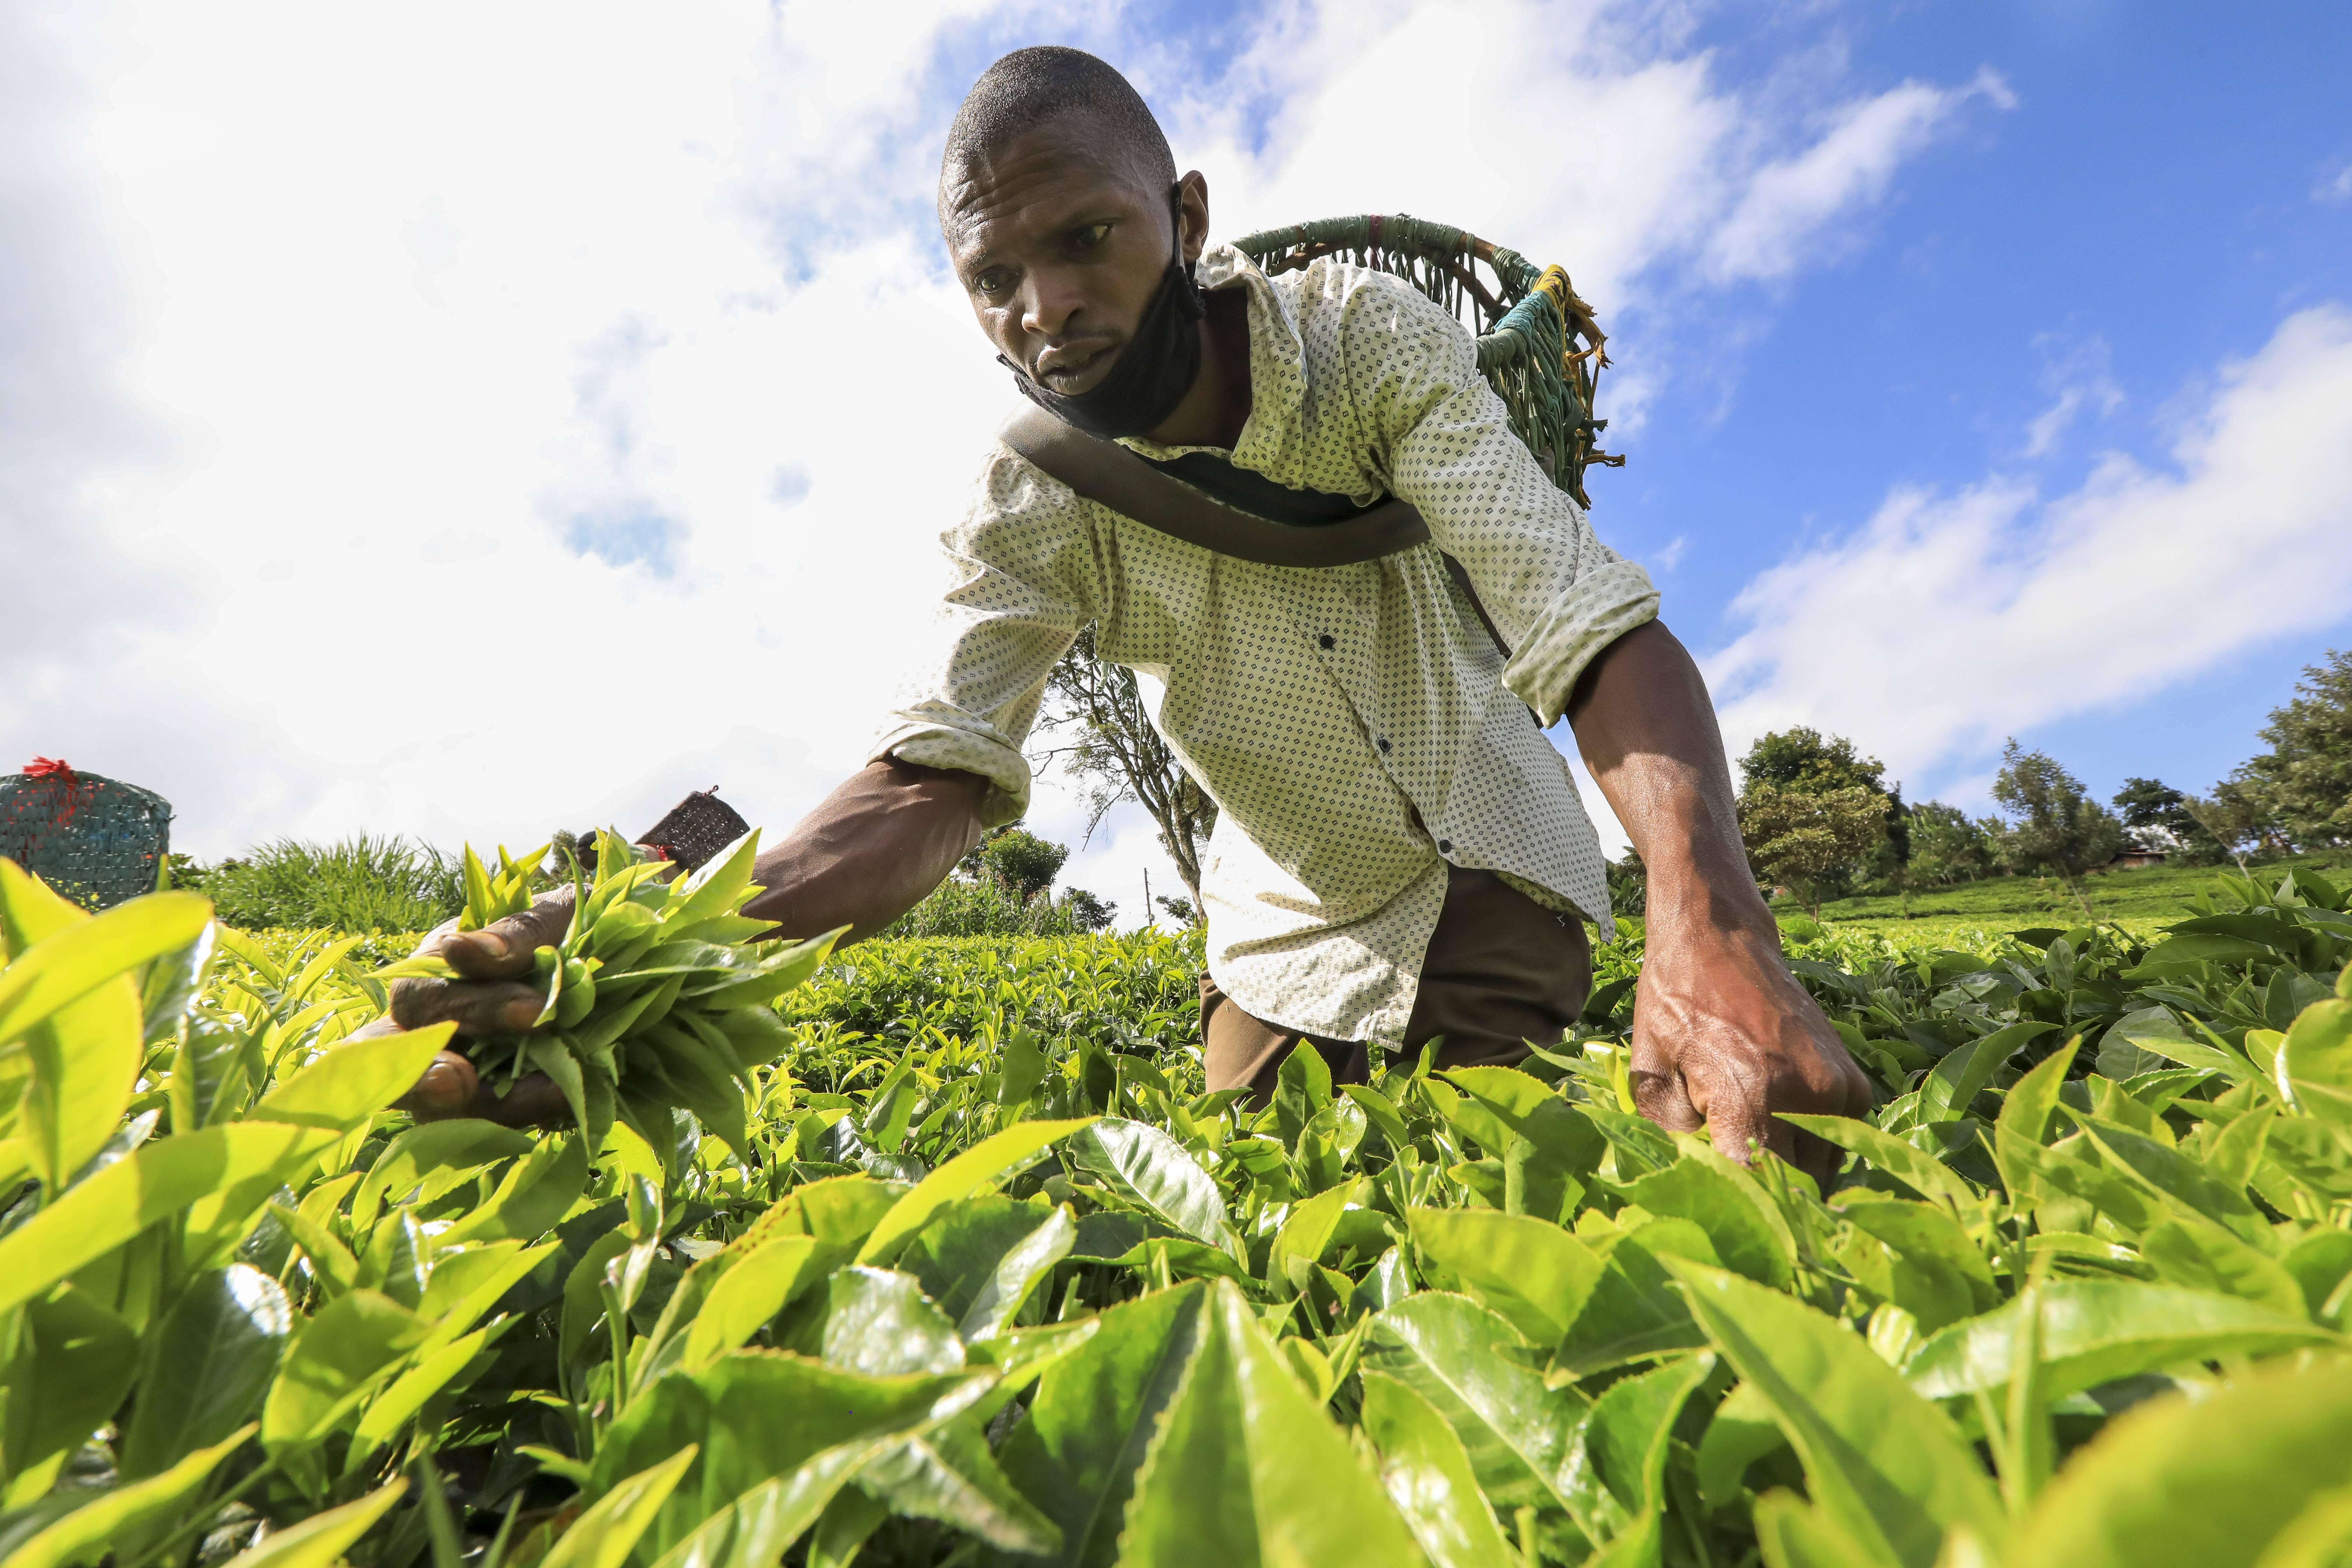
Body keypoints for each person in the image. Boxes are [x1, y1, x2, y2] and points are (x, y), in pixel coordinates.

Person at [374, 46, 1870, 1180]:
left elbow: (1582, 624)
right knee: (1245, 1225)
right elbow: (929, 778)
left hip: (1498, 875)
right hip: (1282, 938)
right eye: (994, 277)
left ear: (1185, 213)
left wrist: (1710, 922)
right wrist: (655, 942)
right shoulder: (1026, 502)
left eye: (1086, 238)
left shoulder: (1366, 348)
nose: (1046, 308)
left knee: (1515, 1191)